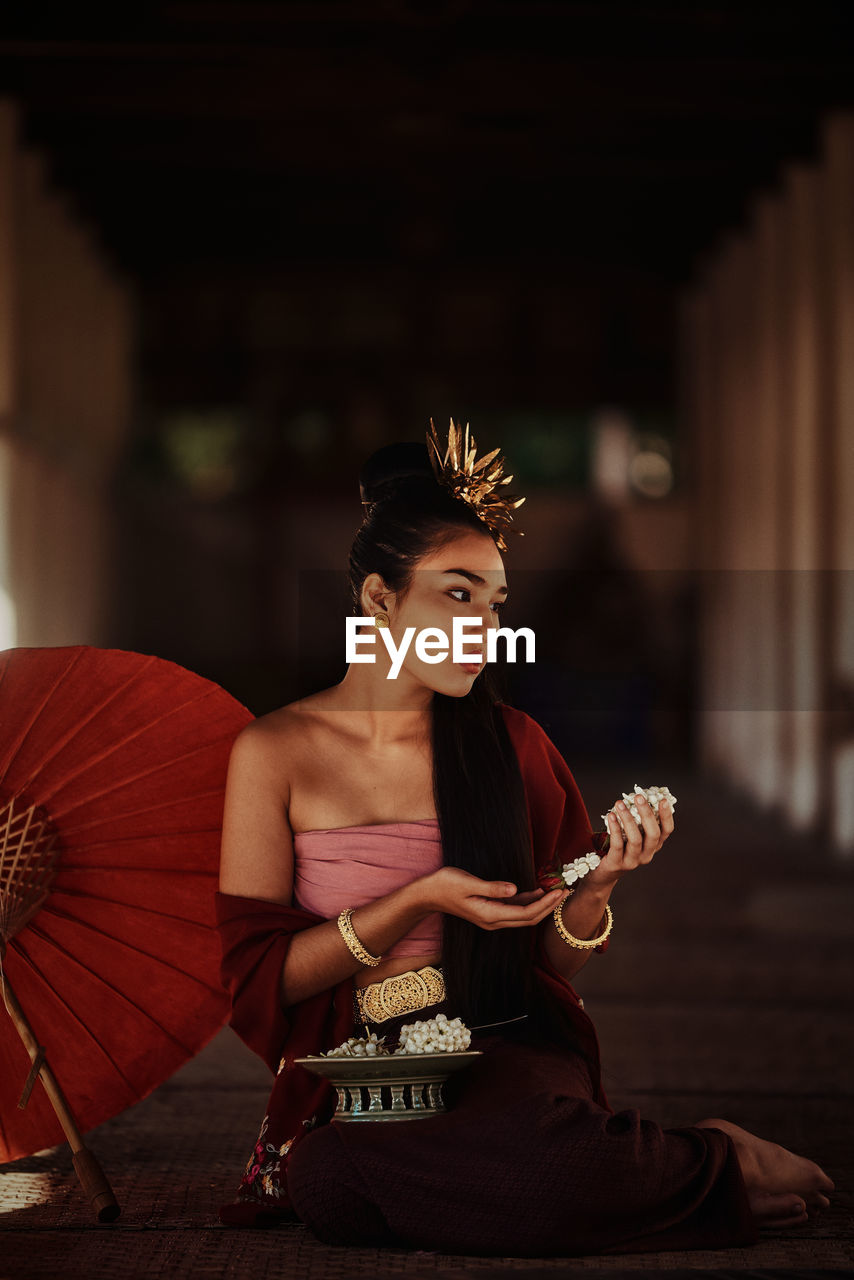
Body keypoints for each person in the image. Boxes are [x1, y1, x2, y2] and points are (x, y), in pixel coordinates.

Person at [214, 419, 833, 1256]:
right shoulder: (272, 753)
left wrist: (599, 889)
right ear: (378, 599)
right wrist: (416, 901)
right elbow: (261, 981)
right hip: (363, 1073)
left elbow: (550, 962)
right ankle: (695, 1172)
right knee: (327, 1184)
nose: (483, 626)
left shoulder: (512, 747)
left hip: (504, 1042)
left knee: (527, 1153)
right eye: (457, 594)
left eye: (495, 604)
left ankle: (686, 1166)